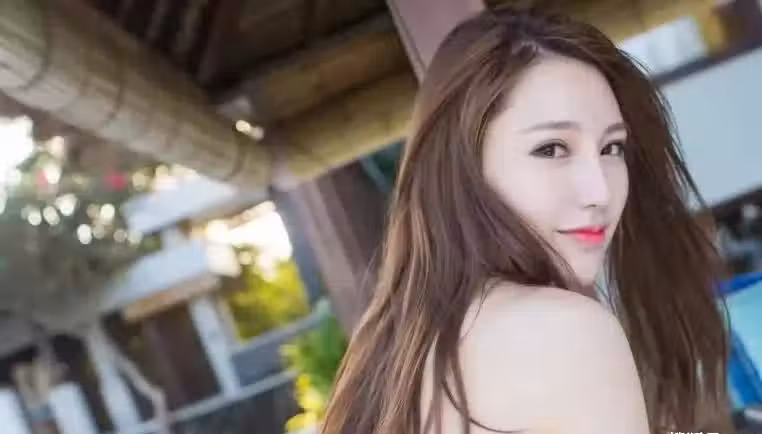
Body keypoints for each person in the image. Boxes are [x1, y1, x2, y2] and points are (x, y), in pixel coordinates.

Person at [320, 6, 732, 434]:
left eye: (611, 148)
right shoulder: (560, 329)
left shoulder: (403, 351)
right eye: (551, 149)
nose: (599, 192)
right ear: (464, 166)